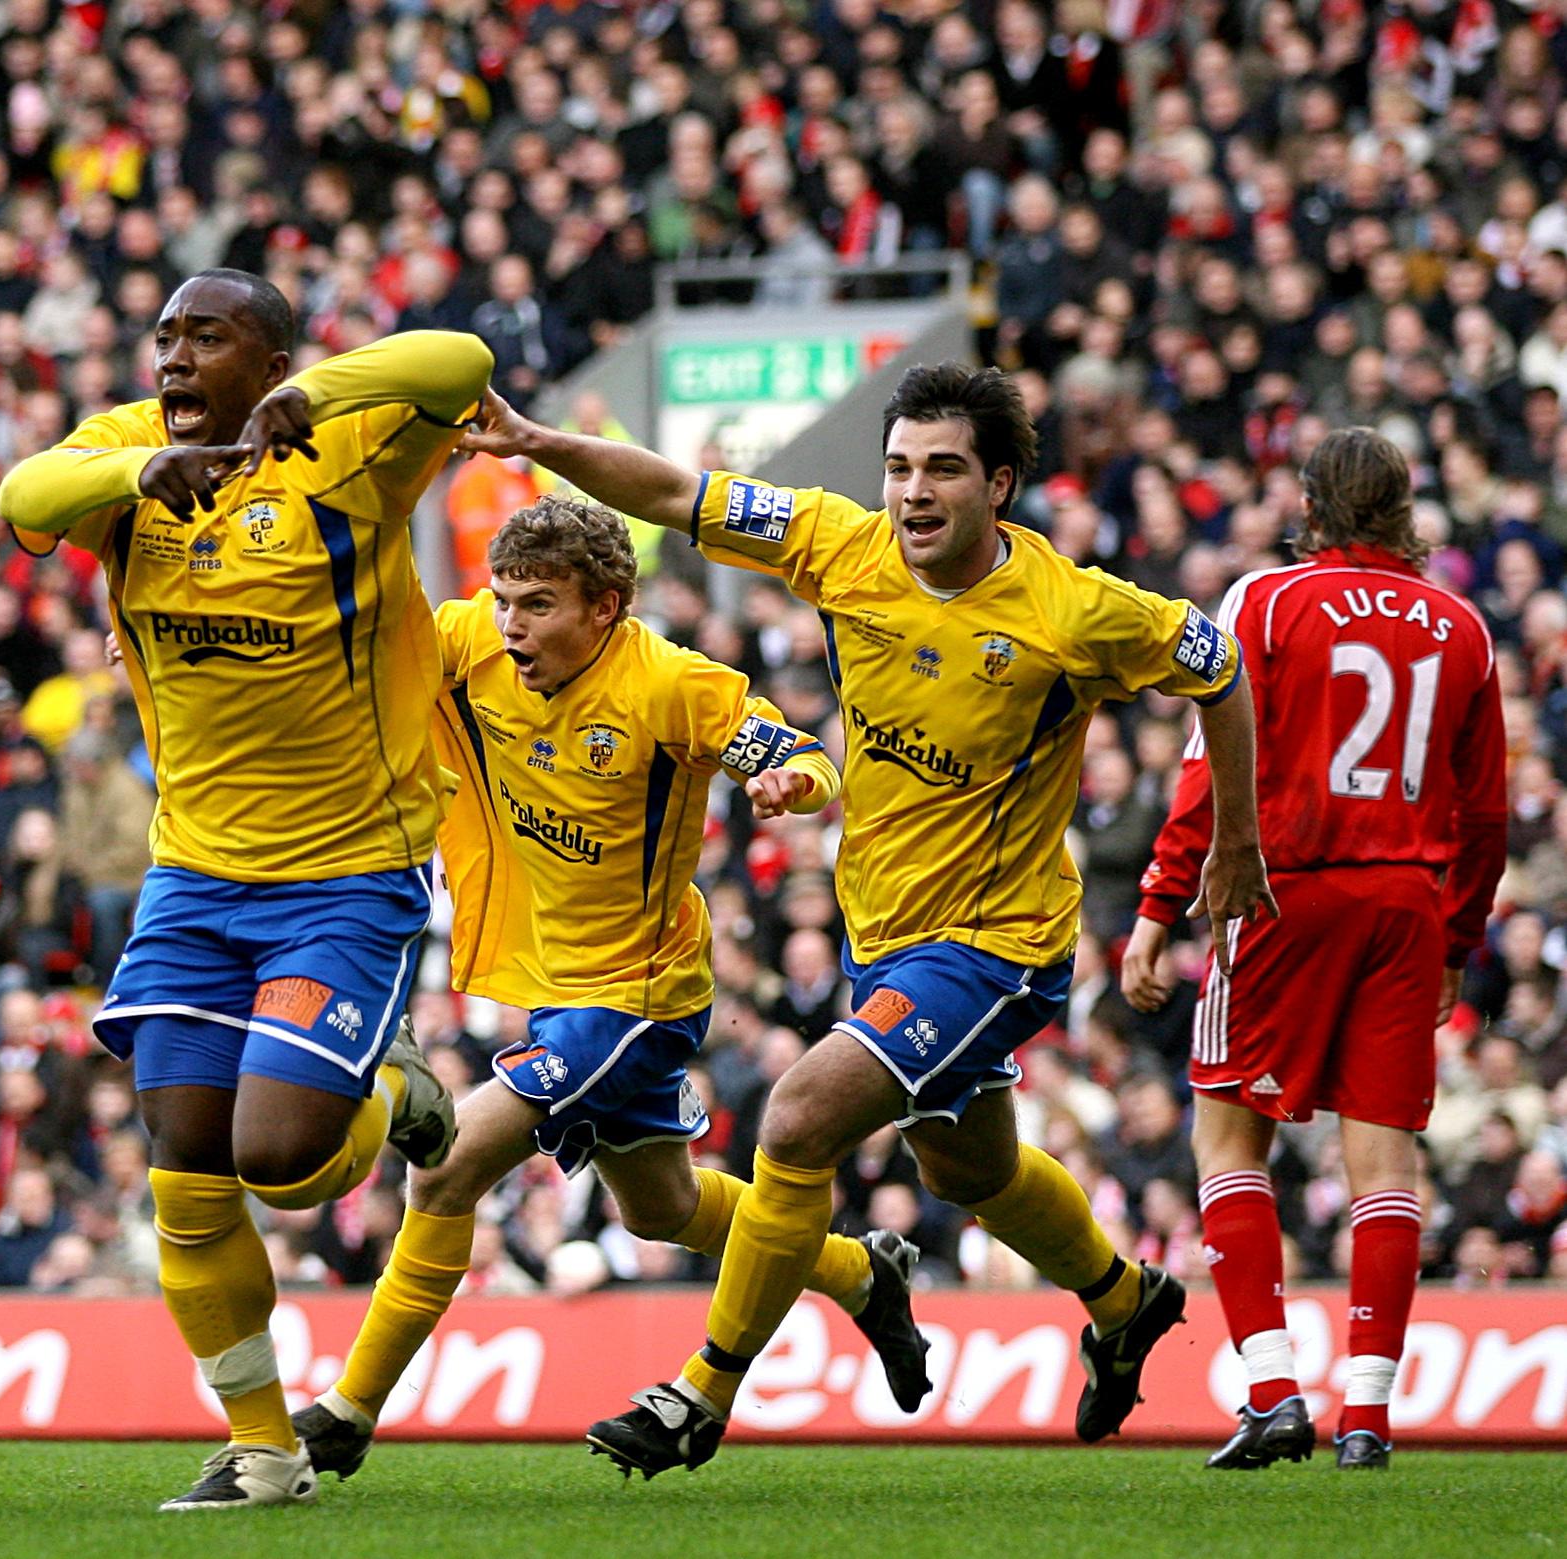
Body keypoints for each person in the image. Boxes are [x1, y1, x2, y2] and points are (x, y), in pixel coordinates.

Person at [461, 364, 1272, 1475]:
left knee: (796, 1120)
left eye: (942, 467)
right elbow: (671, 493)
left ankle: (701, 1391)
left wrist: (1234, 844)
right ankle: (1125, 1297)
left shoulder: (1076, 611)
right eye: (898, 467)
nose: (913, 491)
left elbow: (1221, 669)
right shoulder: (840, 546)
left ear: (1001, 482)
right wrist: (533, 438)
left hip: (997, 940)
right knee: (966, 1169)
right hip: (883, 927)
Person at [290, 497, 929, 1481]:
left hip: (637, 996)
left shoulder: (669, 681)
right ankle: (857, 1267)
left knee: (446, 1168)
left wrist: (791, 785)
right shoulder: (468, 643)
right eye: (504, 599)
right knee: (663, 1210)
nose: (512, 624)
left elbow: (802, 754)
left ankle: (346, 1411)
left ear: (607, 605)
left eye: (538, 604)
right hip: (555, 986)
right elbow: (346, 634)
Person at [0, 271, 493, 1510]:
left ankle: (385, 1087)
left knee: (280, 1157)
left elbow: (458, 358)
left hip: (347, 867)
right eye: (161, 333)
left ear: (267, 357)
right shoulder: (126, 452)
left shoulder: (350, 444)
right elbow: (22, 496)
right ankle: (264, 1445)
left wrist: (306, 401)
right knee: (183, 1151)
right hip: (194, 870)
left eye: (203, 337)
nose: (171, 355)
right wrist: (130, 481)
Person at [1123, 427, 1507, 1472]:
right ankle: (1371, 1413)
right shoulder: (1463, 626)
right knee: (1384, 1156)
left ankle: (1274, 1390)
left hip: (1283, 891)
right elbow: (1485, 811)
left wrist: (1160, 902)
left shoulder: (1264, 600)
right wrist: (1458, 941)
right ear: (1403, 507)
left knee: (1226, 1132)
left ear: (1311, 504)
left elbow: (1208, 765)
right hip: (1406, 903)